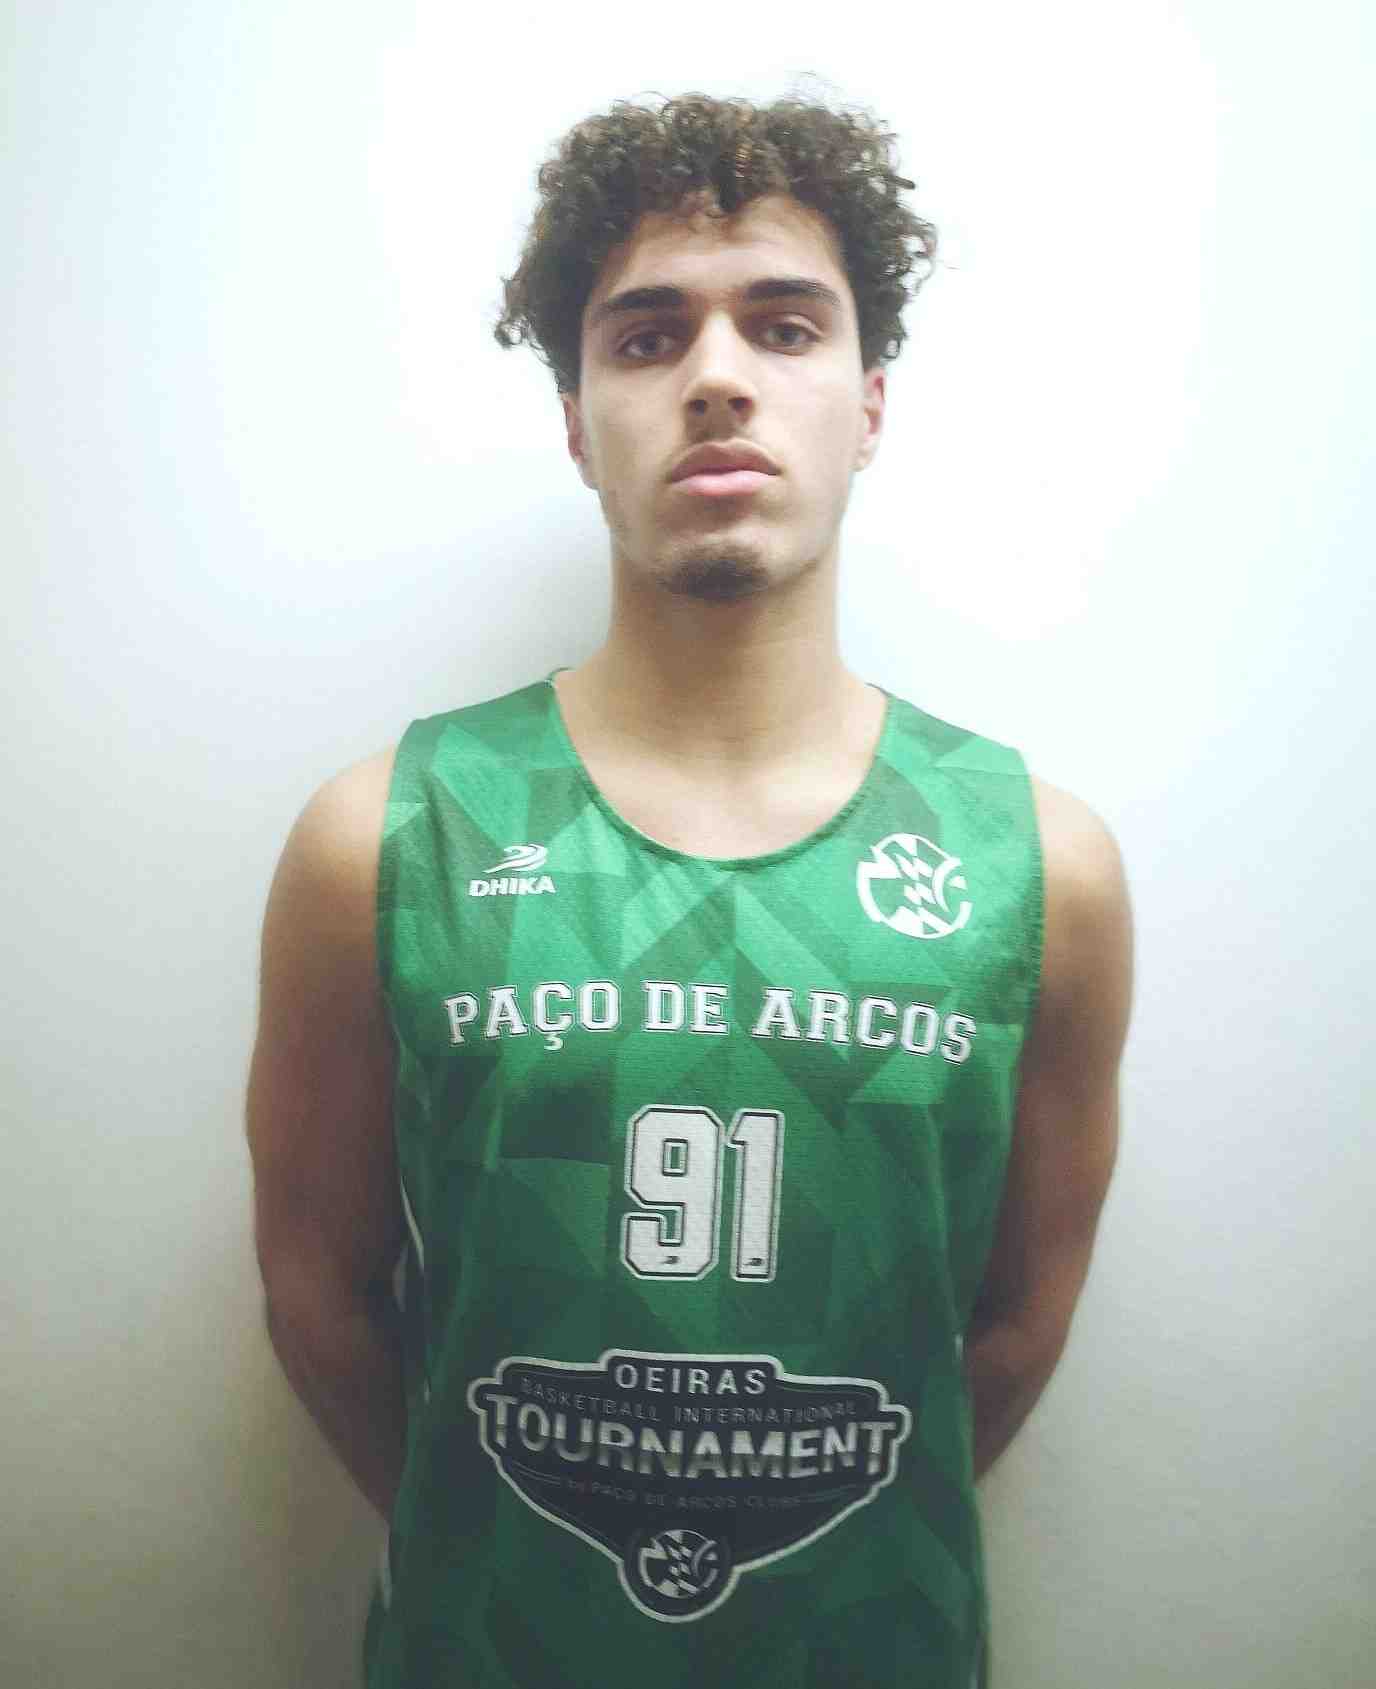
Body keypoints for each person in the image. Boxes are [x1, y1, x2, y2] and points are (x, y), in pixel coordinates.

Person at [246, 87, 1134, 1689]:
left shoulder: (1039, 866)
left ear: (869, 405)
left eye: (783, 327)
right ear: (578, 422)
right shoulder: (384, 836)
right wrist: (515, 1543)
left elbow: (1011, 1325)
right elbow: (318, 1291)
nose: (718, 376)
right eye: (648, 337)